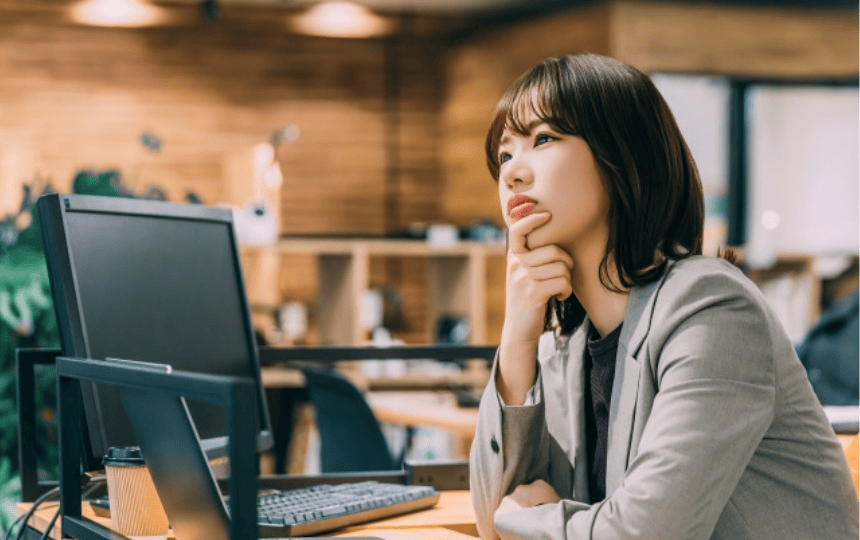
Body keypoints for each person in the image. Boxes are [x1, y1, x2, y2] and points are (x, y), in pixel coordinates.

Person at [469, 53, 859, 540]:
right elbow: (489, 518)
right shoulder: (566, 346)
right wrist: (517, 337)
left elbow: (645, 533)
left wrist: (527, 520)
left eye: (544, 139)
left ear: (622, 157)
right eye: (505, 154)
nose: (512, 174)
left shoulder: (711, 309)